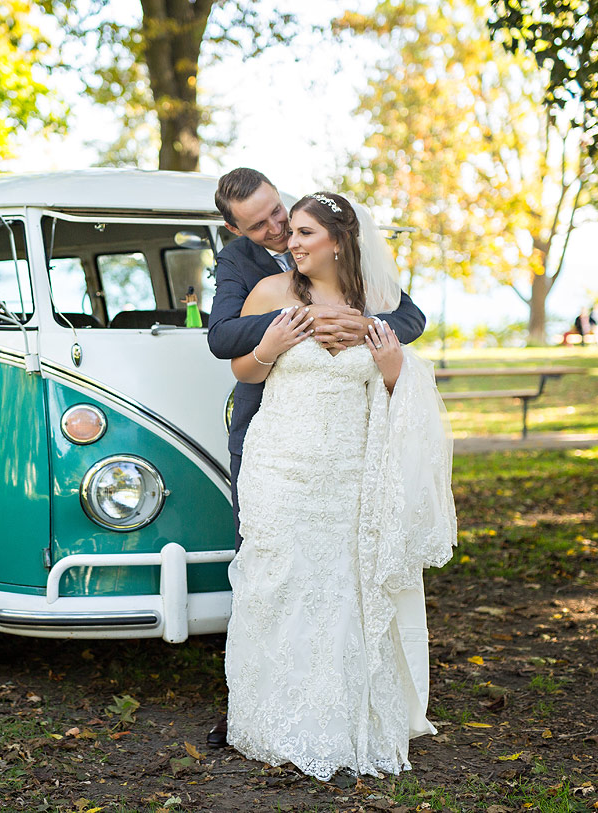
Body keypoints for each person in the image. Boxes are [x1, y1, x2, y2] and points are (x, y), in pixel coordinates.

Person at [224, 191, 457, 780]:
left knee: (343, 585)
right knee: (277, 579)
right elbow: (241, 367)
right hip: (278, 463)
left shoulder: (375, 302)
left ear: (339, 240)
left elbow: (402, 381)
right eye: (290, 233)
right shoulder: (271, 293)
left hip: (348, 469)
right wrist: (270, 346)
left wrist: (384, 357)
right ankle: (269, 717)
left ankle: (342, 712)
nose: (291, 243)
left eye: (304, 234)